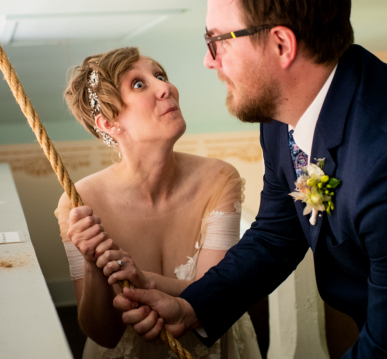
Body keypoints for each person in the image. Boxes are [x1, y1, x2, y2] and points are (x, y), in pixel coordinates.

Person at [114, 0, 387, 358]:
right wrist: (192, 307)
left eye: (217, 41)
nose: (209, 61)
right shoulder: (283, 113)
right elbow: (278, 233)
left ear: (281, 44)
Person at [54, 47, 261, 358]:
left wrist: (146, 280)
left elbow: (216, 294)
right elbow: (104, 335)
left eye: (160, 76)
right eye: (139, 84)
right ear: (109, 123)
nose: (166, 88)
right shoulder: (79, 202)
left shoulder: (219, 179)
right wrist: (92, 266)